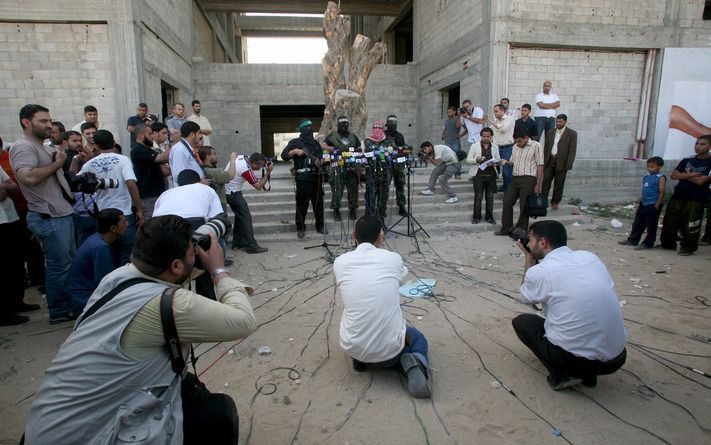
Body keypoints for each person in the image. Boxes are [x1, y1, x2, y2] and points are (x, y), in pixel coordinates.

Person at [24, 214, 257, 445]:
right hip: (88, 436)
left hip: (46, 427)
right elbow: (243, 320)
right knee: (218, 413)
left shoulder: (117, 277)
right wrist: (217, 270)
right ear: (176, 265)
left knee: (189, 387)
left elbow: (172, 277)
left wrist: (189, 256)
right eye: (191, 251)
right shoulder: (171, 303)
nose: (195, 254)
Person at [512, 220, 627, 390]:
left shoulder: (542, 272)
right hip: (616, 358)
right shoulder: (590, 257)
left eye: (530, 240)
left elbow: (527, 297)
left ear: (542, 243)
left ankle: (564, 374)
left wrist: (529, 259)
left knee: (522, 323)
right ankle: (587, 374)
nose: (528, 243)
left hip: (574, 358)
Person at [334, 215, 431, 398]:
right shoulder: (392, 258)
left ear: (354, 235)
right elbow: (401, 274)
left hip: (352, 345)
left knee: (353, 310)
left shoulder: (339, 263)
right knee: (418, 339)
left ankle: (361, 360)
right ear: (381, 237)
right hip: (389, 352)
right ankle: (413, 362)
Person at [11, 104, 76, 324]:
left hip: (61, 214)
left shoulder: (42, 147)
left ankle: (67, 306)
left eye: (49, 120)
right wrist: (57, 163)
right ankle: (59, 310)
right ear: (26, 122)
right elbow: (26, 177)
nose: (49, 125)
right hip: (48, 216)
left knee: (67, 264)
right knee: (59, 266)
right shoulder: (23, 147)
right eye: (43, 121)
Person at [78, 129, 142, 264]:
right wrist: (139, 209)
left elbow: (76, 182)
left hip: (103, 214)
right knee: (128, 252)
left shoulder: (89, 164)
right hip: (124, 213)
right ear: (113, 142)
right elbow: (131, 183)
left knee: (108, 252)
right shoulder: (123, 159)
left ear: (96, 145)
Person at [66, 208, 127, 313]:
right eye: (123, 222)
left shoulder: (96, 239)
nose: (127, 224)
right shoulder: (100, 248)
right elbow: (107, 282)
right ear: (113, 228)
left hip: (82, 293)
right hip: (85, 299)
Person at [660, 135, 711, 255]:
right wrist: (692, 174)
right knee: (670, 220)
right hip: (679, 195)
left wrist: (685, 174)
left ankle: (688, 247)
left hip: (696, 198)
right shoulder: (687, 160)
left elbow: (701, 181)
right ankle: (668, 244)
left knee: (691, 223)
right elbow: (674, 175)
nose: (698, 146)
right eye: (697, 143)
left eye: (702, 144)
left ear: (709, 146)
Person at [0, 165, 38, 325]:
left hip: (9, 217)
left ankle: (16, 302)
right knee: (4, 268)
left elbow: (12, 185)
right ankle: (4, 312)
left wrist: (3, 188)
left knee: (15, 263)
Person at [281, 119, 326, 239]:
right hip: (302, 179)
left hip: (316, 177)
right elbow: (284, 155)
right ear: (302, 130)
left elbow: (321, 157)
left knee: (318, 204)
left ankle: (320, 226)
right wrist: (295, 151)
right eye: (307, 128)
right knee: (302, 205)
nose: (310, 130)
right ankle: (300, 228)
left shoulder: (316, 144)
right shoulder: (295, 142)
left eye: (311, 127)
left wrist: (321, 161)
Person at [496, 130, 544, 235]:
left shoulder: (536, 146)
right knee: (507, 201)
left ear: (526, 138)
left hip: (529, 178)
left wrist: (539, 184)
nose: (518, 144)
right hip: (515, 177)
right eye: (516, 141)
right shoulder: (515, 147)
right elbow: (513, 163)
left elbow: (540, 165)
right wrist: (505, 162)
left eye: (519, 141)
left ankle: (521, 229)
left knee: (524, 204)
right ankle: (506, 228)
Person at [224, 153, 271, 253]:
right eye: (260, 166)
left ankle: (237, 243)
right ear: (254, 164)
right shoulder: (246, 170)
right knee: (246, 217)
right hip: (232, 193)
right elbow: (258, 186)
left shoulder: (243, 157)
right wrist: (267, 173)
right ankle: (251, 245)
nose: (259, 168)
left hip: (228, 190)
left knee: (240, 216)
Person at [618, 157, 666, 250]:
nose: (649, 168)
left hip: (653, 204)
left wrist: (656, 205)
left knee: (651, 225)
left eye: (652, 167)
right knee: (638, 223)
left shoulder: (660, 178)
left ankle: (648, 243)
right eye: (648, 166)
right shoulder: (646, 176)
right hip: (644, 203)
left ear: (659, 167)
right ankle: (633, 240)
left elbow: (662, 192)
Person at [322, 115, 362, 221]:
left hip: (351, 167)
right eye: (341, 124)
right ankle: (336, 210)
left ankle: (352, 209)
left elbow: (359, 148)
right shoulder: (332, 136)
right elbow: (323, 146)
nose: (344, 126)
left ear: (348, 125)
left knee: (353, 189)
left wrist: (354, 153)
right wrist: (334, 149)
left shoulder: (353, 136)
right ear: (338, 125)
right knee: (337, 189)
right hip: (337, 167)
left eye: (345, 124)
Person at [130, 123, 170, 218]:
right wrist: (176, 143)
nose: (153, 136)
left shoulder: (148, 150)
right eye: (150, 134)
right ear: (140, 135)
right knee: (151, 225)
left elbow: (164, 171)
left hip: (158, 194)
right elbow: (162, 158)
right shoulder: (138, 150)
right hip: (148, 197)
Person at [363, 120, 399, 220]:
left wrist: (391, 156)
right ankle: (369, 218)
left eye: (379, 127)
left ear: (383, 129)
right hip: (371, 174)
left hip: (385, 174)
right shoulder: (367, 141)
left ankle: (381, 218)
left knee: (383, 197)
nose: (377, 130)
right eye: (375, 127)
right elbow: (364, 156)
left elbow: (395, 154)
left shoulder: (390, 141)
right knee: (370, 197)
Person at [542, 114, 577, 209]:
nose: (558, 123)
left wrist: (569, 164)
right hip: (549, 160)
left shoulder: (572, 134)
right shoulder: (550, 132)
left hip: (562, 162)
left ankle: (555, 201)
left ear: (565, 122)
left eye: (560, 122)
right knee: (545, 182)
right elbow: (546, 147)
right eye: (557, 121)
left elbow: (572, 150)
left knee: (559, 183)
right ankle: (543, 201)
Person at [466, 127, 500, 224]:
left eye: (488, 136)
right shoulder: (474, 146)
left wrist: (494, 163)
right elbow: (468, 160)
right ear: (481, 136)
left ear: (491, 136)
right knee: (478, 196)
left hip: (491, 175)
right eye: (484, 136)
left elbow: (498, 159)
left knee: (490, 197)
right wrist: (477, 159)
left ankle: (489, 217)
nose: (486, 138)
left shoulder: (495, 146)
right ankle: (476, 217)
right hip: (478, 175)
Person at [199, 145, 236, 210]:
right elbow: (231, 175)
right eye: (214, 154)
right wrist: (232, 159)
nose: (216, 156)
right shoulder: (212, 171)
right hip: (218, 204)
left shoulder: (201, 169)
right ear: (208, 156)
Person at [169, 121, 205, 186]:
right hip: (187, 190)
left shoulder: (185, 148)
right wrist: (199, 182)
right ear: (192, 134)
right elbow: (179, 175)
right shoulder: (180, 150)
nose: (201, 136)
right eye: (199, 133)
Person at [385, 115, 408, 215]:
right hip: (387, 164)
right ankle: (382, 208)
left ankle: (402, 206)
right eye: (390, 124)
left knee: (400, 186)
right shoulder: (383, 135)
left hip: (398, 164)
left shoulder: (400, 136)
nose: (392, 126)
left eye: (394, 124)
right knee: (385, 186)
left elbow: (403, 149)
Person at [489, 103, 515, 193]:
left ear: (503, 111)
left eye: (496, 111)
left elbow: (503, 129)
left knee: (507, 172)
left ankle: (508, 193)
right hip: (496, 148)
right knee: (492, 168)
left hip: (506, 148)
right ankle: (497, 189)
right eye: (494, 112)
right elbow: (489, 131)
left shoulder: (510, 119)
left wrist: (492, 121)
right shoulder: (495, 121)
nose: (495, 113)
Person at [442, 106, 464, 179]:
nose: (449, 113)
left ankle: (458, 173)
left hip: (455, 142)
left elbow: (458, 126)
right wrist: (442, 134)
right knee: (447, 158)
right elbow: (445, 128)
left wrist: (459, 115)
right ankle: (448, 173)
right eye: (448, 112)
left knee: (457, 158)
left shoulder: (458, 119)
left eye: (450, 112)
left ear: (454, 112)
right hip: (447, 141)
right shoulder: (447, 120)